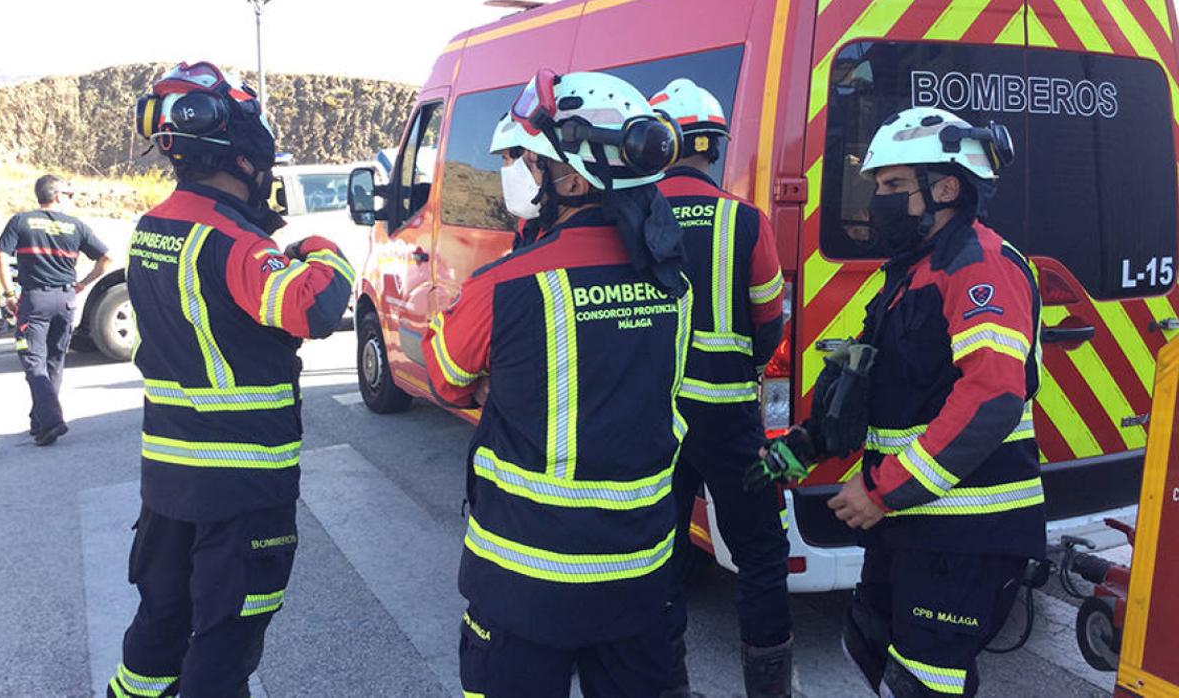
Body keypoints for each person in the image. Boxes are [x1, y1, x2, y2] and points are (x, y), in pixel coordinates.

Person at [749, 107, 1042, 697]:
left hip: (965, 532)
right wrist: (805, 445)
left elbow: (992, 396)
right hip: (912, 524)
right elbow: (874, 383)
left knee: (922, 683)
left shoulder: (981, 266)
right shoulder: (913, 272)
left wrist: (883, 489)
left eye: (891, 186)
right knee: (866, 642)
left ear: (946, 188)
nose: (876, 198)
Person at [424, 69, 692, 698]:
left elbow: (445, 375)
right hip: (640, 570)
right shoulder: (671, 279)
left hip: (525, 579)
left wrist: (502, 381)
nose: (511, 169)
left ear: (572, 178)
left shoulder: (507, 282)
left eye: (524, 156)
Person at [108, 61, 354, 697]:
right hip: (241, 488)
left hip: (168, 479)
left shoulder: (152, 228)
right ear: (241, 156)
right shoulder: (234, 241)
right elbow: (313, 306)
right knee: (225, 642)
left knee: (159, 627)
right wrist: (324, 249)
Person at [649, 79, 791, 697]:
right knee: (760, 555)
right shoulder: (747, 221)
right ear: (713, 145)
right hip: (733, 420)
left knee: (657, 557)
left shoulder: (637, 217)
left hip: (657, 422)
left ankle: (663, 682)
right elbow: (770, 324)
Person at [0, 174, 112, 446]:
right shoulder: (76, 226)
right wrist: (83, 284)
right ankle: (40, 421)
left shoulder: (21, 221)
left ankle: (52, 420)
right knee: (54, 363)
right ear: (57, 196)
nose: (70, 199)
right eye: (69, 194)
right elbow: (107, 258)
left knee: (33, 361)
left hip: (34, 302)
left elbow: (0, 256)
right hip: (66, 300)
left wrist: (9, 293)